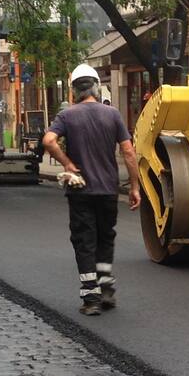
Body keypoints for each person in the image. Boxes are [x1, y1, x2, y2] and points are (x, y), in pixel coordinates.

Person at [43, 63, 142, 316]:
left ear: (74, 90)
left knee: (85, 241)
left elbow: (48, 141)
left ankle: (91, 297)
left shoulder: (67, 116)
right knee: (105, 237)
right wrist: (134, 187)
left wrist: (67, 164)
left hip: (81, 191)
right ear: (97, 87)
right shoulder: (113, 115)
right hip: (108, 190)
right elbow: (129, 152)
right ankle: (106, 286)